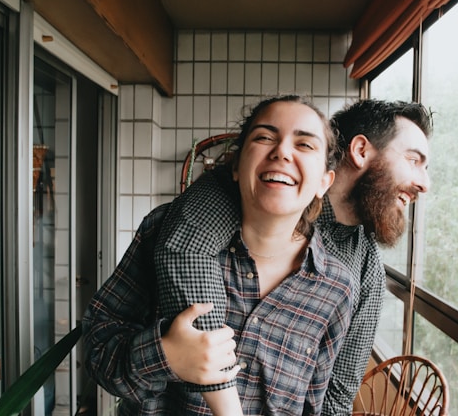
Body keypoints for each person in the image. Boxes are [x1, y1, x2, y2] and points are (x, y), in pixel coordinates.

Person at [82, 98, 432, 415]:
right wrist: (164, 355)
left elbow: (335, 395)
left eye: (305, 144)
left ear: (324, 179)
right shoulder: (191, 220)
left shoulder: (354, 274)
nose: (424, 183)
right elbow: (100, 345)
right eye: (414, 160)